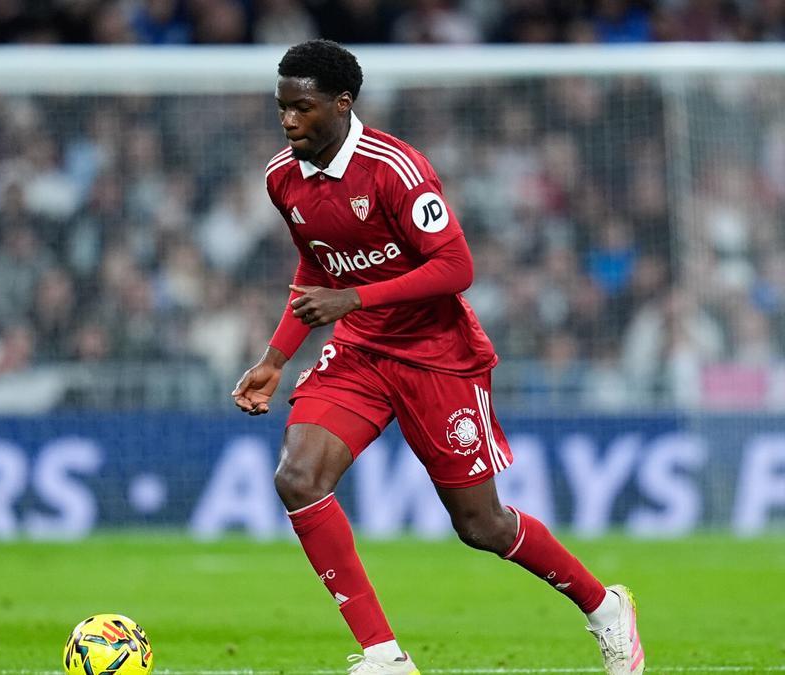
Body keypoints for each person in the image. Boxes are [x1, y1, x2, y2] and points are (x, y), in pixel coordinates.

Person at [231, 40, 643, 674]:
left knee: (482, 526)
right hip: (361, 353)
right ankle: (384, 655)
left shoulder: (396, 168)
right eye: (281, 107)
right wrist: (276, 357)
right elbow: (315, 265)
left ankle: (603, 606)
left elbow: (457, 266)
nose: (288, 121)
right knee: (298, 478)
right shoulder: (282, 177)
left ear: (342, 105)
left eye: (302, 108)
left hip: (436, 358)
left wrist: (355, 297)